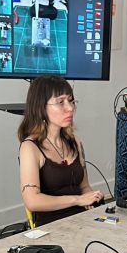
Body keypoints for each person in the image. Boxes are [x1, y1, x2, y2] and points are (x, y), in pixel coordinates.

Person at [18, 76, 103, 227]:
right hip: (52, 228)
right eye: (60, 102)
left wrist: (92, 197)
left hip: (82, 221)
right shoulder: (30, 147)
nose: (70, 108)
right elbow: (32, 201)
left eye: (71, 101)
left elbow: (84, 187)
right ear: (41, 107)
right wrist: (77, 200)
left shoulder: (75, 142)